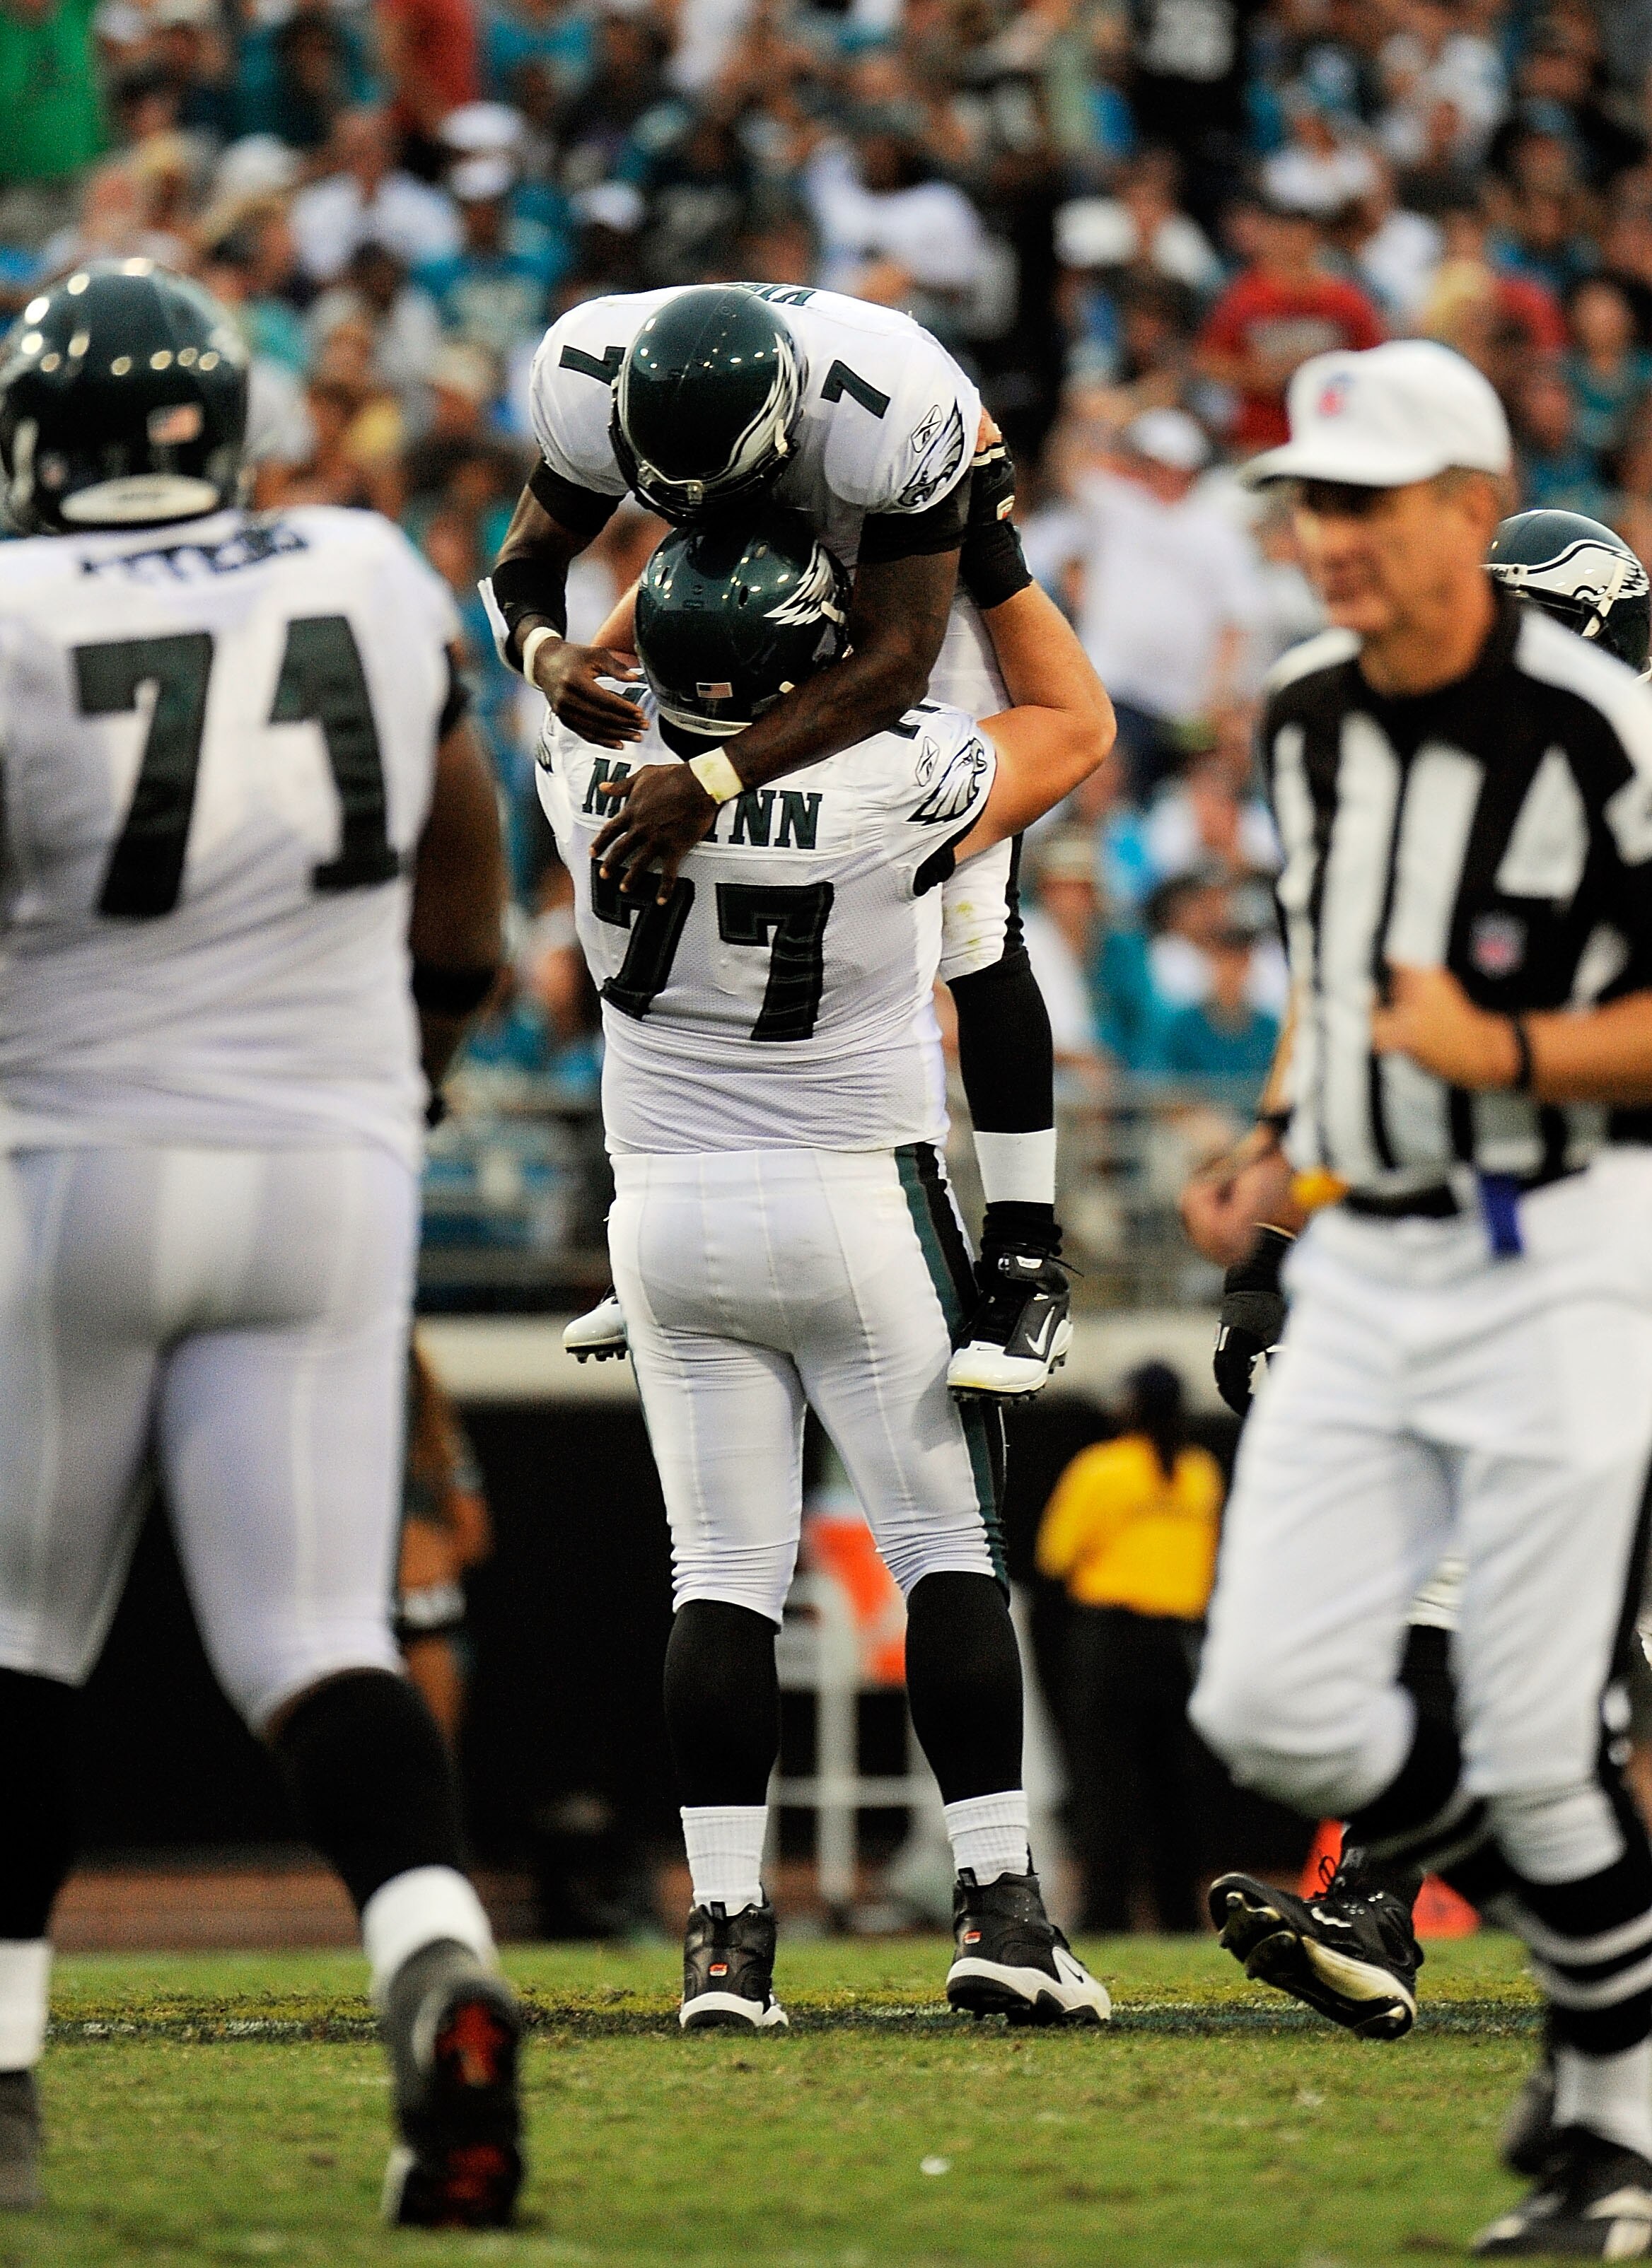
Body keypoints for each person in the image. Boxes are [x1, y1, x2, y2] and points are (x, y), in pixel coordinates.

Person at [0, 262, 520, 2228]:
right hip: (335, 1158)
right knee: (319, 1640)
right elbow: (465, 863)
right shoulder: (371, 567)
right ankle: (433, 1962)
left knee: (19, 1640)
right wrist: (439, 1046)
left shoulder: (15, 607)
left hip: (72, 1159)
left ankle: (5, 2073)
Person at [1180, 338, 1652, 2257]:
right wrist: (1275, 1174)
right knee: (1278, 1699)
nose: (1328, 541)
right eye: (1313, 505)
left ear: (1464, 512)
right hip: (1380, 1239)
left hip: (1566, 1234)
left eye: (1366, 505)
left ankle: (1609, 2117)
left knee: (1547, 1712)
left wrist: (1514, 1046)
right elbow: (1336, 986)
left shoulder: (1618, 745)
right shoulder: (1307, 716)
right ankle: (1421, 1904)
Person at [535, 497, 1115, 2033]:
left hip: (662, 1215)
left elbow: (603, 666)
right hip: (855, 1200)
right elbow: (1075, 719)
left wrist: (655, 539)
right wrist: (964, 543)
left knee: (719, 1576)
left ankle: (724, 1935)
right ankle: (998, 1902)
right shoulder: (908, 768)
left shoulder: (578, 761)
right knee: (945, 1553)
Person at [487, 282, 1074, 1399]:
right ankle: (655, 1221)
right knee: (654, 901)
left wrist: (712, 778)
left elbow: (900, 658)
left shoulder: (892, 402)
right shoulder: (590, 370)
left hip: (899, 577)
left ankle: (1025, 1252)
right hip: (716, 591)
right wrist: (548, 653)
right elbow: (525, 570)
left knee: (968, 919)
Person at [1035, 1363, 1223, 1933]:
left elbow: (1055, 1555)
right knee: (1175, 1785)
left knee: (1105, 1784)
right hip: (1179, 1644)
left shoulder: (1102, 1468)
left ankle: (1104, 1914)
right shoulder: (1199, 1471)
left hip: (1110, 1641)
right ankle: (1179, 1916)